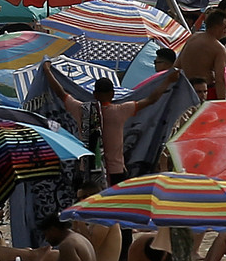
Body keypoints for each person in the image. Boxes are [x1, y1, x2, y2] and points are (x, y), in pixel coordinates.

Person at [43, 59, 177, 184]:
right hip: (115, 172)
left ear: (94, 94)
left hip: (88, 172)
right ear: (113, 94)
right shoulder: (121, 110)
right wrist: (168, 81)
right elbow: (151, 99)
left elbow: (60, 92)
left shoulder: (82, 110)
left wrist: (47, 71)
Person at [176, 9, 226, 100]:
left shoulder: (193, 37)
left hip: (186, 88)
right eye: (224, 28)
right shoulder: (219, 48)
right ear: (217, 27)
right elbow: (220, 80)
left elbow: (177, 65)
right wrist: (222, 101)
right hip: (205, 90)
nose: (225, 32)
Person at [38, 213, 102, 261]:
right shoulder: (83, 239)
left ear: (53, 230)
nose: (47, 239)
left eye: (46, 234)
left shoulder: (67, 245)